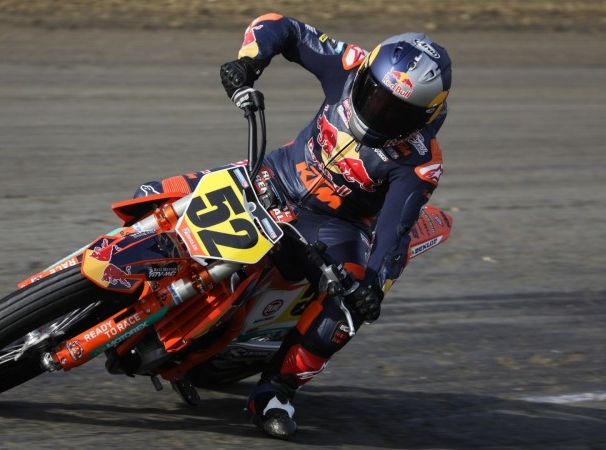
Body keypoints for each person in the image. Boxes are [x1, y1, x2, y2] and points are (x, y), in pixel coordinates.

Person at [137, 13, 452, 439]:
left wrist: (372, 288)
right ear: (364, 75)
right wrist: (249, 63)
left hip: (334, 228)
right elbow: (281, 25)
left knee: (350, 306)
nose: (378, 112)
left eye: (395, 111)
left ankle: (276, 390)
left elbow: (394, 232)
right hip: (269, 175)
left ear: (423, 117)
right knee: (150, 195)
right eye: (374, 95)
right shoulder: (349, 63)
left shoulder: (420, 160)